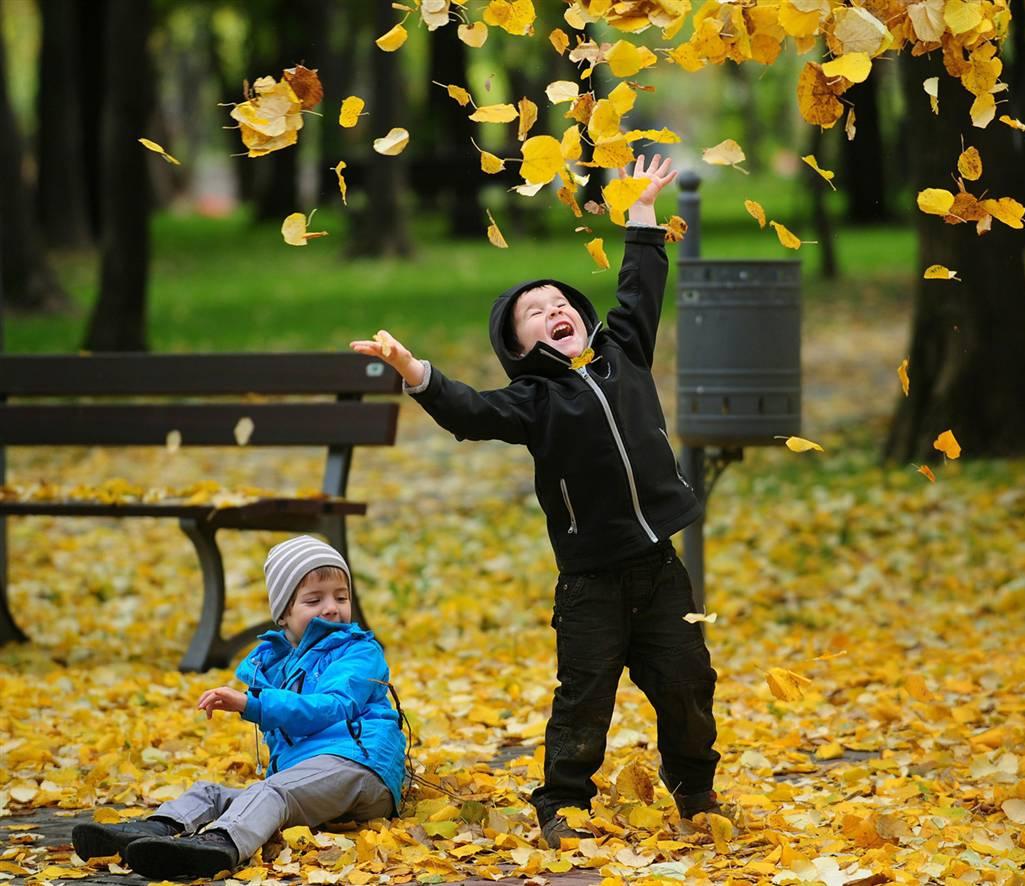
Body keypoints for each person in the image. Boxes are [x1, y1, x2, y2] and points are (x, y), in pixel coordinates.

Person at [351, 154, 722, 849]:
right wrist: (413, 370)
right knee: (584, 696)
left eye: (560, 304)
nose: (554, 311)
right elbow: (469, 411)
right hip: (591, 582)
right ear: (519, 345)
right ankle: (564, 801)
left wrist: (643, 212)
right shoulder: (533, 400)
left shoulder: (623, 352)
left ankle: (695, 788)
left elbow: (641, 289)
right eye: (535, 312)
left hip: (658, 567)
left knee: (688, 681)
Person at [71, 536, 407, 879]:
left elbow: (332, 706)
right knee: (211, 793)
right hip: (311, 776)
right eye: (314, 600)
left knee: (270, 792)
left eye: (341, 597)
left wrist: (253, 704)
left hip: (361, 767)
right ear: (284, 613)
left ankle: (220, 845)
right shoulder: (276, 663)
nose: (332, 608)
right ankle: (152, 831)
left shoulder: (359, 652)